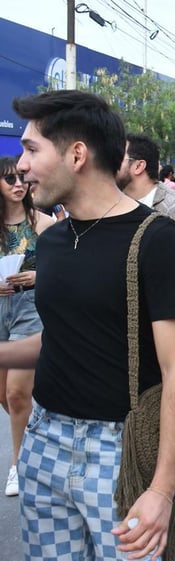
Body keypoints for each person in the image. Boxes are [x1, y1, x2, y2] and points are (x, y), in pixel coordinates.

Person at [1, 90, 175, 561]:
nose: (21, 166)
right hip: (43, 441)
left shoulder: (159, 242)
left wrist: (162, 490)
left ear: (76, 154)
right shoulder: (51, 242)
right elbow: (63, 338)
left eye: (32, 150)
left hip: (119, 448)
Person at [116, 133, 175, 348]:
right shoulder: (115, 205)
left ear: (138, 166)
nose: (110, 161)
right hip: (128, 330)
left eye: (118, 157)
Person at [0, 158, 53, 498]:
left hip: (31, 307)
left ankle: (20, 464)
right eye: (9, 179)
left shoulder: (45, 223)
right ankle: (38, 428)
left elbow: (65, 269)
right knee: (5, 394)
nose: (18, 183)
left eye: (21, 177)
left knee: (18, 393)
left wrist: (38, 275)